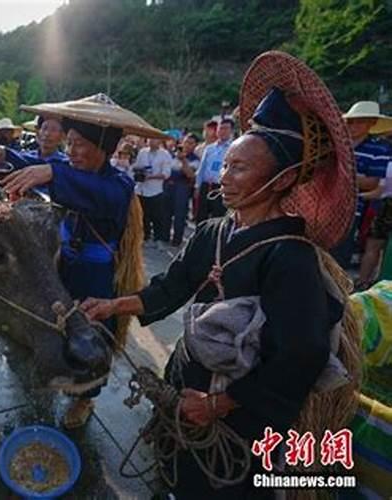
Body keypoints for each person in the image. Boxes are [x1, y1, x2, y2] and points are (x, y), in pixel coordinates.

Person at [81, 52, 360, 500]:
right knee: (172, 473)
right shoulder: (212, 230)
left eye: (241, 168)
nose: (225, 178)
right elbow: (173, 286)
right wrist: (115, 305)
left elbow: (302, 353)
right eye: (226, 165)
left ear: (284, 177)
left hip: (240, 414)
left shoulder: (291, 257)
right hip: (185, 383)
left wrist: (218, 404)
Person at [0, 93, 165, 428]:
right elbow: (37, 165)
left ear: (105, 149)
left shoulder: (119, 185)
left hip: (97, 276)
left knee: (92, 334)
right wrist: (4, 154)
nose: (70, 152)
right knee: (56, 326)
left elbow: (83, 188)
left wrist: (51, 174)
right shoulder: (67, 169)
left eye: (79, 144)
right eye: (68, 143)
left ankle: (85, 397)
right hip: (63, 267)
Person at [343, 102, 392, 285]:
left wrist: (343, 176)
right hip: (324, 205)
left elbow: (372, 183)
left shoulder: (380, 149)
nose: (353, 126)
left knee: (342, 256)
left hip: (352, 210)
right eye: (351, 122)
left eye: (360, 122)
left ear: (371, 123)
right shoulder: (335, 144)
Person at [133, 138, 172, 246]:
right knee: (143, 215)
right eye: (149, 139)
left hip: (156, 190)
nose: (151, 141)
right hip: (141, 189)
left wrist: (150, 177)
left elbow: (166, 174)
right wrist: (139, 172)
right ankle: (145, 237)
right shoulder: (143, 152)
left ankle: (158, 238)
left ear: (159, 141)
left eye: (154, 139)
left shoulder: (165, 154)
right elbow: (137, 166)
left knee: (157, 216)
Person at [163, 133, 199, 246]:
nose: (187, 145)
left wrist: (183, 161)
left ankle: (177, 240)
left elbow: (190, 175)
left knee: (180, 214)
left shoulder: (195, 159)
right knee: (165, 213)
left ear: (195, 145)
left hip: (182, 187)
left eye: (190, 143)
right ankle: (164, 236)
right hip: (168, 185)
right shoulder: (171, 155)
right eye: (186, 142)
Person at [195, 118, 234, 222]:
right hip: (206, 185)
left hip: (221, 188)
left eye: (226, 128)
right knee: (201, 215)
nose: (222, 131)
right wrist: (197, 186)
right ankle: (200, 237)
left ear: (231, 131)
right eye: (220, 128)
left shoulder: (233, 148)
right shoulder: (209, 148)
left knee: (218, 216)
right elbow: (202, 168)